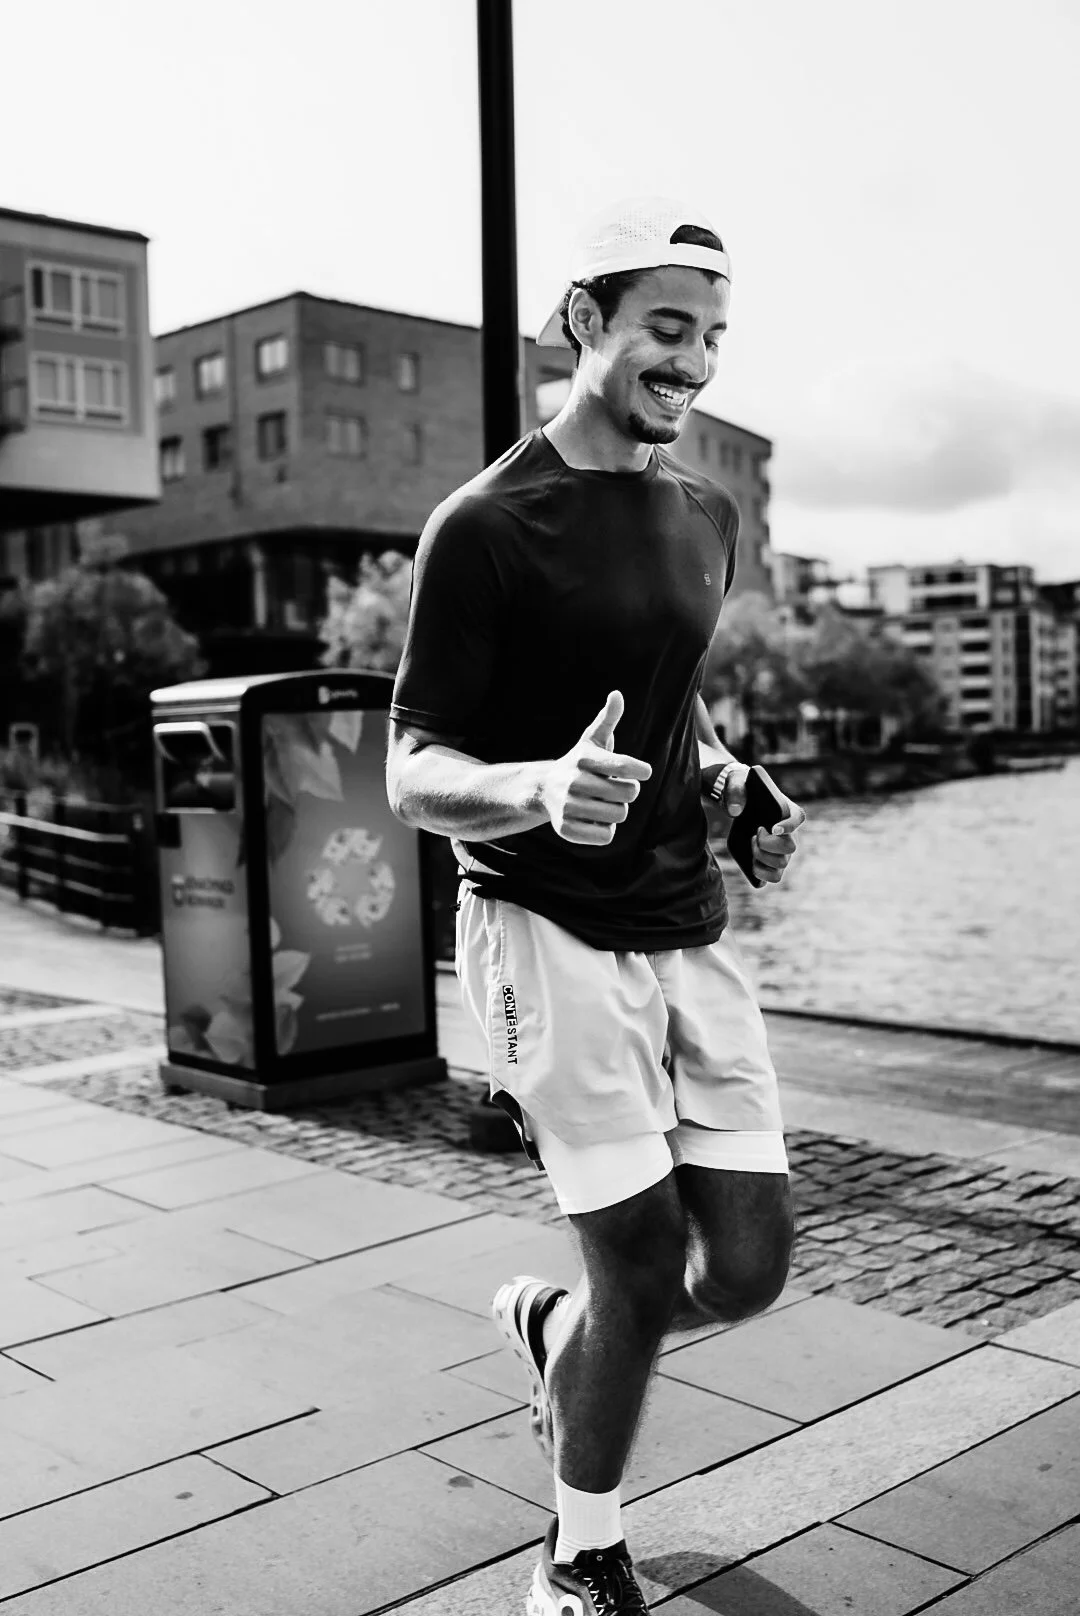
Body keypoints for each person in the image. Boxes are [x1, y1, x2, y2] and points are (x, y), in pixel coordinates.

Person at [386, 196, 805, 1616]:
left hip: (688, 923)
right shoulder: (486, 525)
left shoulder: (707, 511)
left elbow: (673, 709)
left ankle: (561, 1332)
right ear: (584, 323)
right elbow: (412, 766)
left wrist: (737, 782)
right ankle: (579, 1549)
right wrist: (535, 788)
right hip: (543, 931)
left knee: (745, 1268)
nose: (693, 364)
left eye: (713, 337)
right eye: (665, 331)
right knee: (635, 1261)